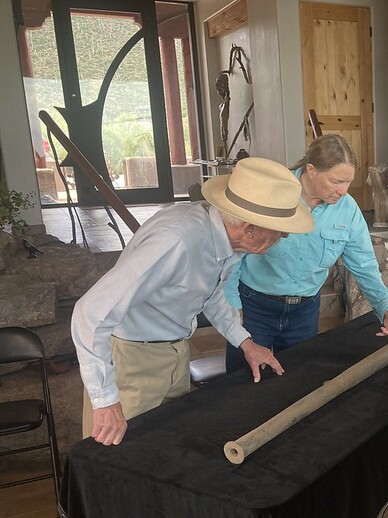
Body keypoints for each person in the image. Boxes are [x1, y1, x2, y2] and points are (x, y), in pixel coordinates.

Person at [71, 157, 314, 446]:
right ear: (250, 228)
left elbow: (208, 294)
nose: (283, 237)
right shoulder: (177, 241)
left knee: (167, 449)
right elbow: (90, 313)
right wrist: (106, 400)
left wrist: (245, 343)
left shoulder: (224, 238)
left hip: (174, 353)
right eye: (280, 231)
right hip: (131, 361)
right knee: (120, 459)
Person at [224, 134, 388, 372]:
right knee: (245, 382)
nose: (343, 190)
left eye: (348, 182)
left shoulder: (347, 209)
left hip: (304, 312)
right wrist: (233, 306)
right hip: (255, 306)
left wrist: (386, 309)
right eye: (336, 181)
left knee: (298, 383)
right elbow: (236, 251)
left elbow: (365, 266)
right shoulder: (274, 192)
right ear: (311, 170)